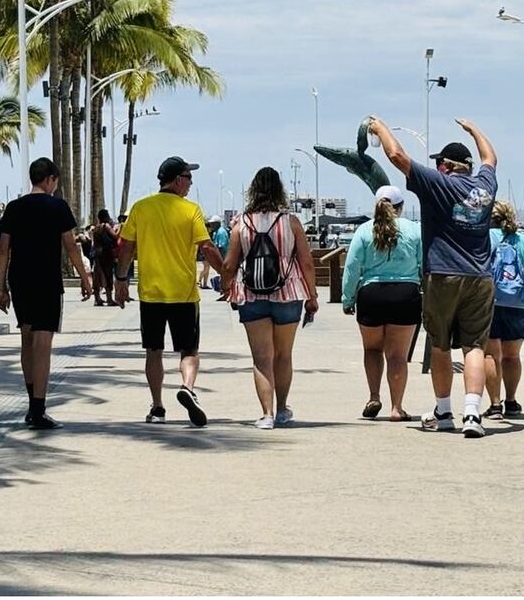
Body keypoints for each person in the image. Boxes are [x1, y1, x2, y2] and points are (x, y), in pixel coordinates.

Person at [368, 115, 498, 439]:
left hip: (443, 274)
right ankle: (472, 413)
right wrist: (474, 130)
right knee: (474, 347)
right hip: (480, 276)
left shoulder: (438, 183)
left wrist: (380, 128)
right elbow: (490, 159)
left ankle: (444, 411)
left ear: (446, 166)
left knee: (440, 345)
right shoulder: (485, 186)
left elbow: (397, 157)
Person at [114, 157, 225, 426]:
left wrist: (120, 280)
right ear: (176, 180)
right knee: (189, 350)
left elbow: (127, 247)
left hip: (151, 294)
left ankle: (158, 407)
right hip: (184, 294)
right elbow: (207, 248)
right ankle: (187, 388)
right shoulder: (191, 210)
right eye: (188, 178)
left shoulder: (140, 208)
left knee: (154, 351)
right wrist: (228, 276)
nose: (190, 183)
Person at [0, 158, 93, 429]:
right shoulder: (58, 206)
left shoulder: (14, 207)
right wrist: (85, 278)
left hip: (20, 280)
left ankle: (31, 403)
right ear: (49, 179)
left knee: (27, 339)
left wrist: (1, 287)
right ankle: (38, 408)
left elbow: (3, 250)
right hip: (47, 280)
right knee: (43, 343)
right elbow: (71, 247)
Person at [222, 167, 319, 429]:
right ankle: (282, 408)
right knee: (283, 355)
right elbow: (307, 263)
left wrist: (226, 287)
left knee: (261, 358)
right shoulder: (291, 222)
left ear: (253, 190)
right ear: (280, 190)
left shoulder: (241, 223)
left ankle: (265, 414)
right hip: (288, 293)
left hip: (252, 295)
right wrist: (312, 296)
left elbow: (230, 264)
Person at [341, 185, 422, 422]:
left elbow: (353, 267)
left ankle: (374, 395)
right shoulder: (414, 229)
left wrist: (348, 298)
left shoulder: (365, 230)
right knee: (397, 355)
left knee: (372, 349)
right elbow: (423, 263)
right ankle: (397, 408)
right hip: (405, 294)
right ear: (401, 207)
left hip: (372, 294)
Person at [482, 201, 524, 420]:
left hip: (489, 302)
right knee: (512, 355)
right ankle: (511, 400)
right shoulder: (523, 241)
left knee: (491, 354)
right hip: (518, 303)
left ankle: (495, 405)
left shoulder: (484, 238)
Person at [91, 209, 118, 306]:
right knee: (107, 275)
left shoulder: (96, 228)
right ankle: (109, 299)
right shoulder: (106, 226)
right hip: (106, 254)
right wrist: (118, 229)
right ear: (106, 216)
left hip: (97, 254)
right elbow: (115, 237)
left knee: (98, 276)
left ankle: (97, 299)